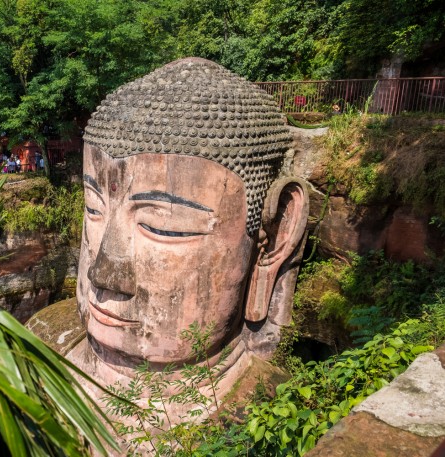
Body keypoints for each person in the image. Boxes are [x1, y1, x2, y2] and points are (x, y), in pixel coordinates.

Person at [30, 59, 309, 445]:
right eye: (93, 208)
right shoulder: (38, 343)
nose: (103, 273)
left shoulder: (265, 421)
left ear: (275, 238)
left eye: (162, 227)